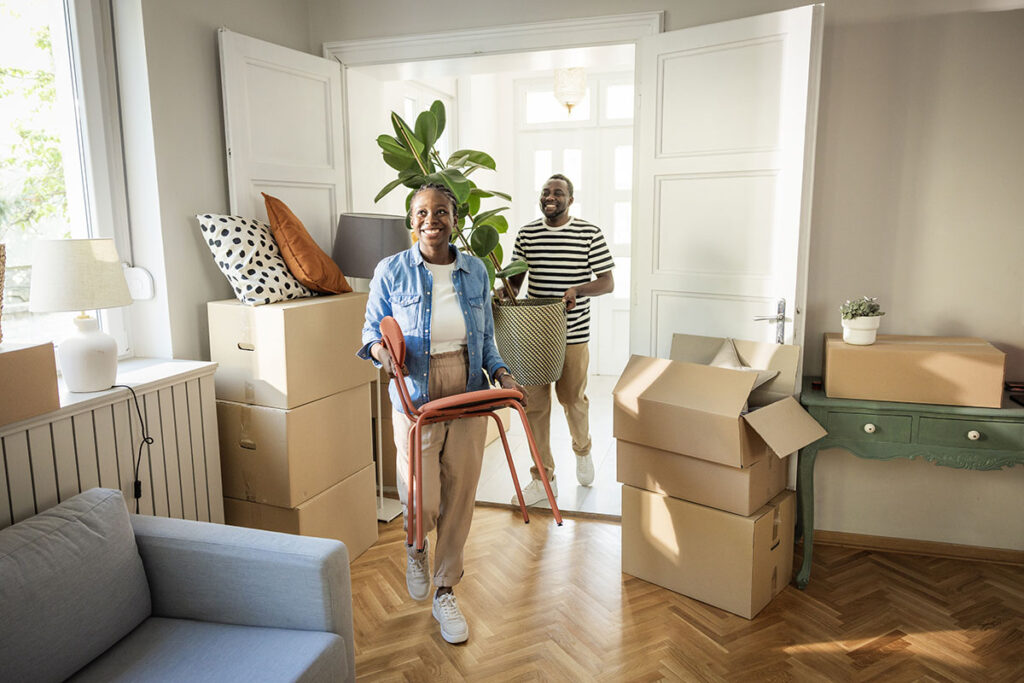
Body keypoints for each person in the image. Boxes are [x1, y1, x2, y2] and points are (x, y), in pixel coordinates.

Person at [358, 183, 525, 645]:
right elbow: (372, 331)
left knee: (460, 496)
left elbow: (487, 341)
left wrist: (503, 374)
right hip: (416, 395)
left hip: (469, 391)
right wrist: (380, 352)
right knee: (423, 499)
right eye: (422, 212)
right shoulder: (390, 271)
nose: (432, 219)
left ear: (456, 219)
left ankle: (445, 590)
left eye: (442, 212)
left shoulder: (474, 272)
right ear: (411, 221)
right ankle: (416, 548)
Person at [501, 174, 614, 506]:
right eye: (546, 192)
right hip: (533, 336)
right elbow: (516, 284)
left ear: (570, 200)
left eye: (558, 193)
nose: (551, 197)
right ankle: (542, 477)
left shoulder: (588, 233)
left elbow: (607, 282)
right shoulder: (527, 234)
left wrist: (579, 290)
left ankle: (583, 450)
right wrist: (499, 293)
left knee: (572, 400)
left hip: (573, 335)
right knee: (535, 406)